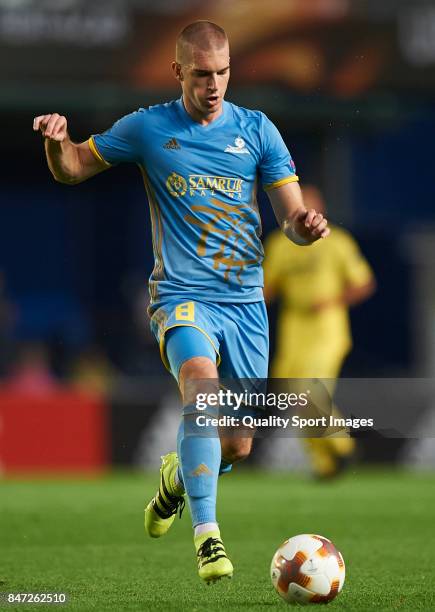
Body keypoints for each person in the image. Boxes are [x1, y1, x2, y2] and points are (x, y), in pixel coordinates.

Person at [33, 21, 329, 583]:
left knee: (238, 445)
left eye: (221, 73)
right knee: (200, 383)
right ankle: (208, 538)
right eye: (200, 75)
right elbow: (73, 167)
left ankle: (174, 481)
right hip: (182, 296)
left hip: (245, 304)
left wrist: (305, 227)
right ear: (178, 73)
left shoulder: (259, 130)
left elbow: (290, 218)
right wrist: (56, 142)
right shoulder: (147, 128)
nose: (213, 85)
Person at [263, 185, 376, 478]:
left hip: (327, 329)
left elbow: (363, 283)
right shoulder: (279, 245)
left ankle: (342, 447)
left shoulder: (337, 242)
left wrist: (332, 301)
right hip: (293, 330)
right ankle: (325, 465)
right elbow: (267, 289)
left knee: (310, 391)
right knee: (294, 397)